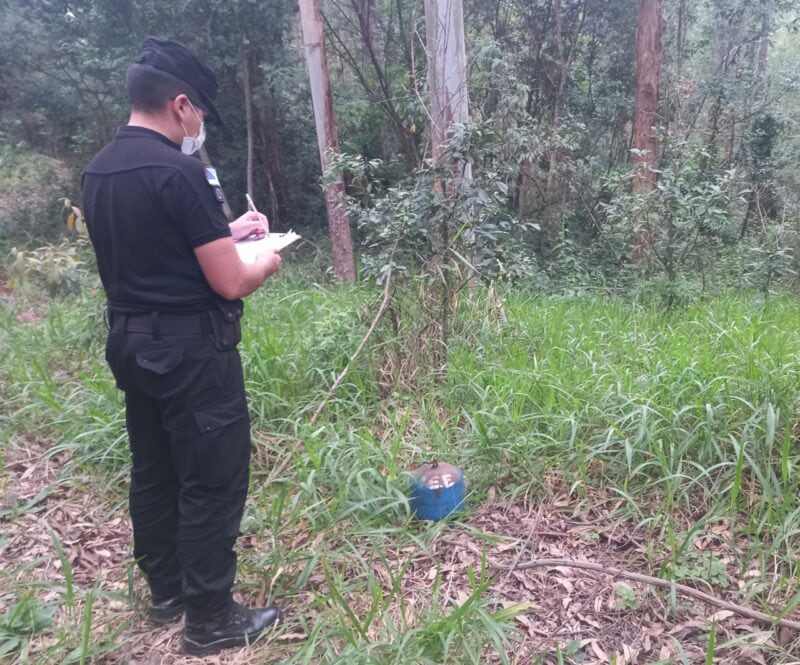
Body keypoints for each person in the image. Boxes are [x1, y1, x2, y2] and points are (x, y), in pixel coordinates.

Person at [81, 36, 282, 657]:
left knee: (156, 468)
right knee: (211, 478)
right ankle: (212, 619)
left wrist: (227, 230)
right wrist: (266, 258)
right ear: (180, 104)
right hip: (192, 351)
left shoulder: (100, 169)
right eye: (198, 116)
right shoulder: (182, 170)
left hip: (131, 343)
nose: (198, 128)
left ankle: (166, 591)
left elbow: (157, 247)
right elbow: (228, 279)